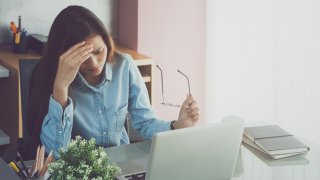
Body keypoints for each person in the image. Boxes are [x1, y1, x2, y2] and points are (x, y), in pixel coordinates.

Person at [27, 6, 200, 158]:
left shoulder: (124, 65)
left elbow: (145, 123)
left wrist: (177, 126)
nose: (94, 63)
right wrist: (61, 88)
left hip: (122, 164)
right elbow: (55, 153)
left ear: (107, 41)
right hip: (79, 171)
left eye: (98, 51)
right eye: (84, 58)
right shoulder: (50, 77)